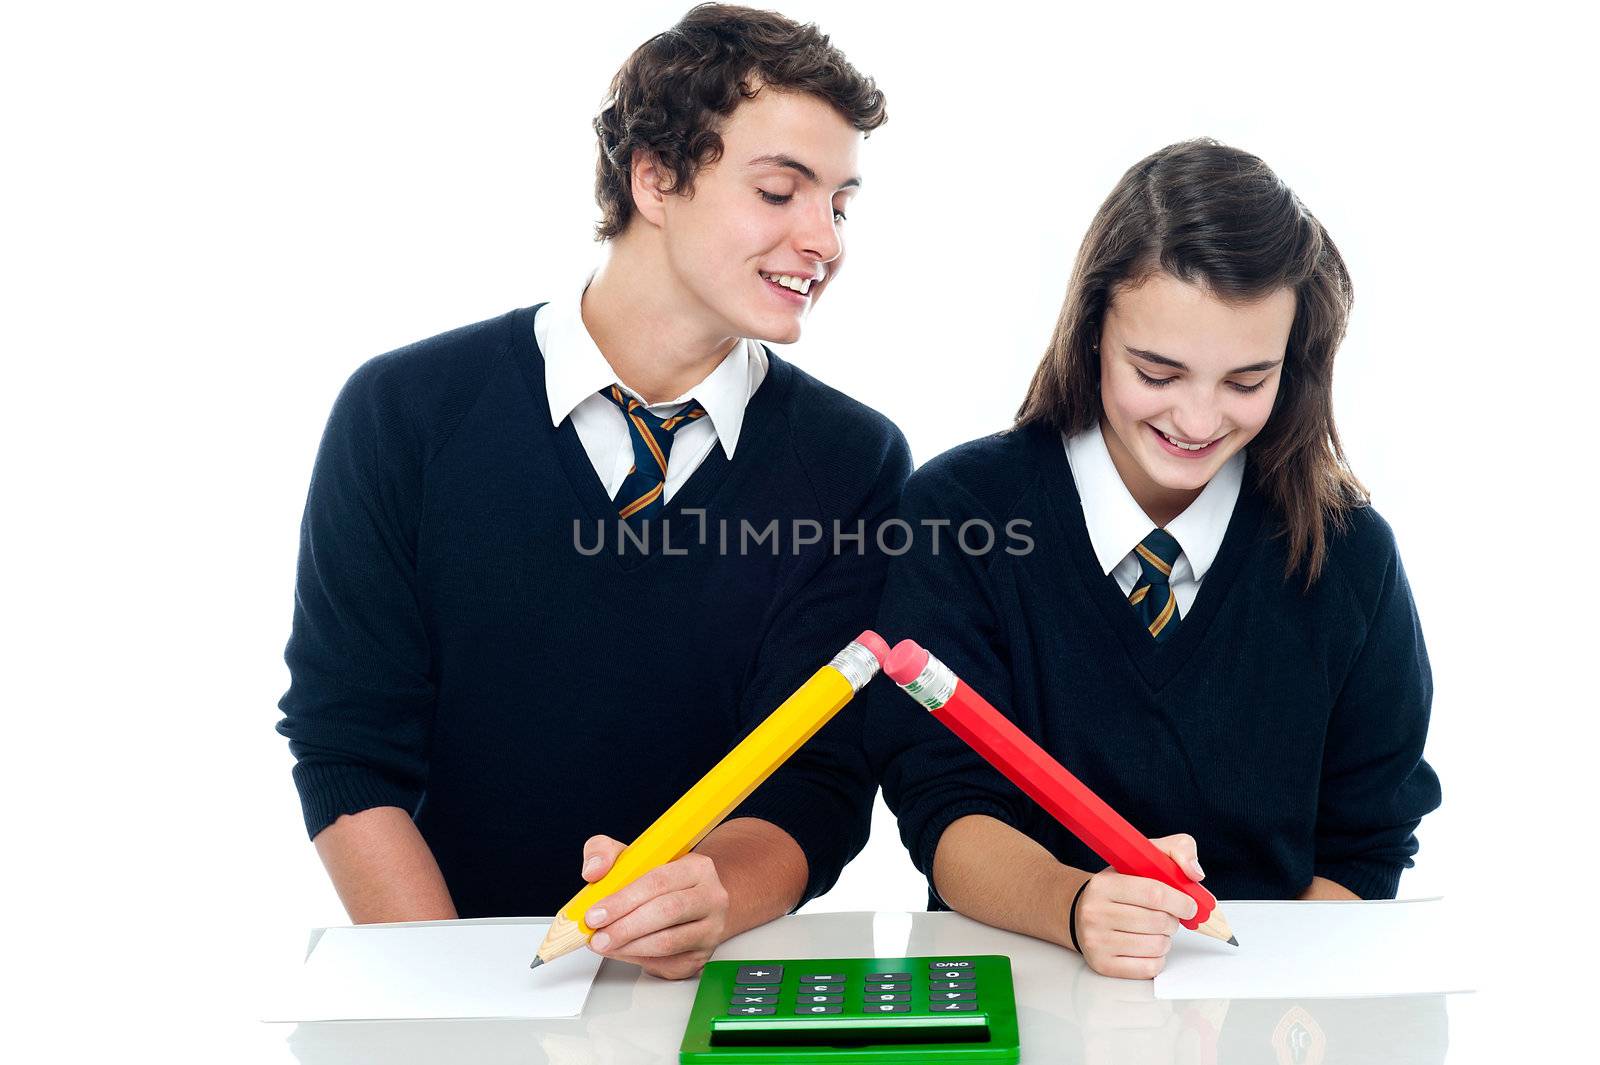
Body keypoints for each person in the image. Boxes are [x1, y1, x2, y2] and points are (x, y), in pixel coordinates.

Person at [276, 4, 910, 980]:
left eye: (840, 202)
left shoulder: (852, 461)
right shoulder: (404, 412)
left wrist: (714, 896)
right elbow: (347, 743)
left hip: (706, 986)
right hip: (445, 976)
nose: (821, 238)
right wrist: (462, 1003)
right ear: (654, 177)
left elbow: (816, 779)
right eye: (781, 190)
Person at [865, 139, 1440, 979]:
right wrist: (1074, 904)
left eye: (1247, 381)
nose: (1199, 419)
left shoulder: (1350, 554)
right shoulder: (960, 512)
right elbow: (943, 804)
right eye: (1158, 370)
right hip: (1023, 984)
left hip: (1263, 1011)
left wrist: (1264, 1003)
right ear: (1094, 329)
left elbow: (1368, 836)